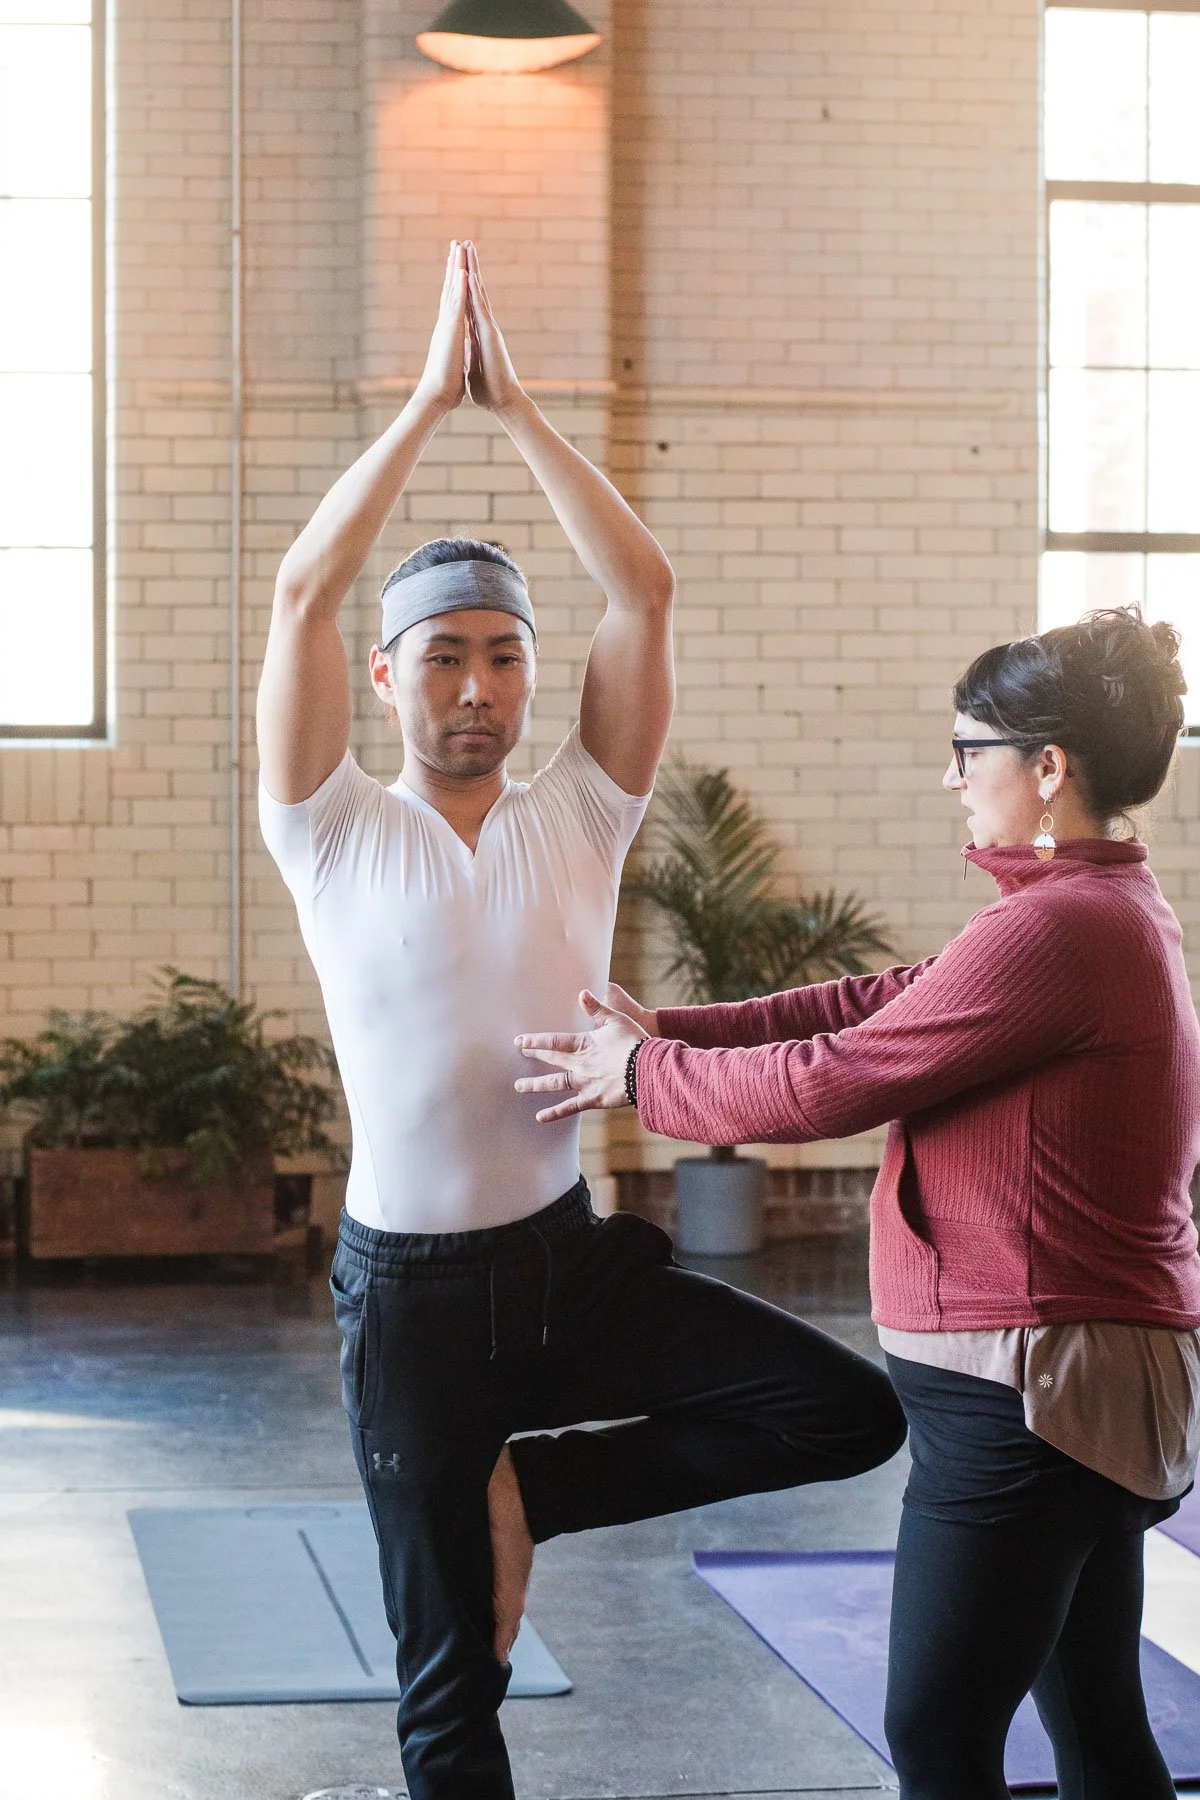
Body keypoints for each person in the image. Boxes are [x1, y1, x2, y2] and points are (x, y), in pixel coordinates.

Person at [256, 239, 906, 1800]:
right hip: (408, 1308)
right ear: (387, 678)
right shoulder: (330, 826)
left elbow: (646, 589)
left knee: (843, 1409)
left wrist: (526, 408)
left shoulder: (582, 815)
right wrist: (427, 403)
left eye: (504, 658)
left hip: (568, 1266)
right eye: (445, 661)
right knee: (450, 1686)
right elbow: (301, 586)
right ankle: (489, 1514)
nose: (477, 689)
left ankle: (531, 1489)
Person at [516, 606, 1200, 1800]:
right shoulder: (1090, 913)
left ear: (1048, 769)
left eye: (967, 749)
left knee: (939, 1737)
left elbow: (839, 1078)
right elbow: (874, 1002)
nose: (951, 777)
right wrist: (667, 1031)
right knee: (1093, 1715)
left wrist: (639, 1079)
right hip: (1064, 1375)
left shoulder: (1064, 928)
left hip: (1031, 1394)